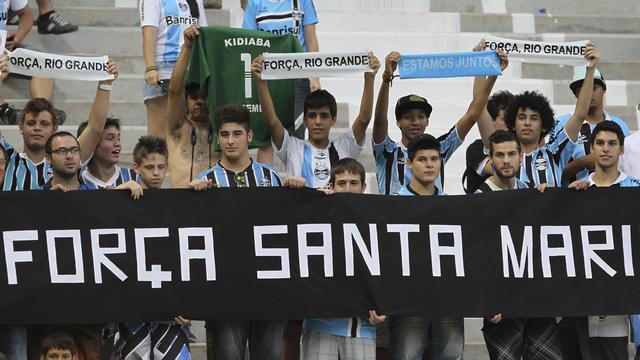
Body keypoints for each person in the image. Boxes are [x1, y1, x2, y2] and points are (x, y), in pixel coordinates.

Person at [190, 103, 306, 360]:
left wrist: (300, 193)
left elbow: (289, 227)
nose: (230, 141)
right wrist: (191, 201)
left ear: (250, 136)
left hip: (269, 292)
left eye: (237, 134)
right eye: (224, 135)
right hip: (226, 292)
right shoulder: (205, 180)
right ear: (218, 138)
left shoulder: (271, 177)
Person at [372, 42, 507, 195]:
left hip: (435, 216)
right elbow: (379, 119)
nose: (415, 121)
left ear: (428, 121)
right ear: (398, 122)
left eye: (421, 117)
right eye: (408, 117)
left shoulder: (440, 148)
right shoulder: (388, 151)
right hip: (394, 218)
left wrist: (494, 74)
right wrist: (386, 78)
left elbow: (472, 115)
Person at [476, 131, 564, 360]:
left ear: (521, 156)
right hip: (500, 304)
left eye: (511, 154)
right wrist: (485, 303)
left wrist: (561, 197)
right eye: (500, 155)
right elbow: (474, 258)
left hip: (536, 301)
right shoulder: (477, 199)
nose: (506, 160)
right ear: (491, 159)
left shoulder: (533, 193)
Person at [251, 52, 380, 189]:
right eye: (312, 116)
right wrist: (261, 81)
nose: (317, 121)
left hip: (337, 210)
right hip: (302, 210)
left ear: (333, 119)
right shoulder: (292, 146)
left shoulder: (344, 146)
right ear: (305, 120)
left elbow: (364, 119)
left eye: (324, 116)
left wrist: (369, 78)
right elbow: (271, 121)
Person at [565, 121, 638, 360]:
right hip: (580, 304)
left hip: (621, 304)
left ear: (621, 149)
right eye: (600, 143)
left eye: (612, 143)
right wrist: (568, 200)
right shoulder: (575, 192)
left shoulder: (635, 190)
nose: (606, 148)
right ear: (592, 149)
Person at [388, 133, 463, 360]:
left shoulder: (453, 206)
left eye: (434, 159)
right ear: (410, 163)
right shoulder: (391, 205)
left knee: (450, 356)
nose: (430, 164)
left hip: (447, 300)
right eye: (422, 159)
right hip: (408, 301)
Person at [302, 158, 386, 360]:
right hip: (319, 325)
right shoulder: (316, 217)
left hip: (362, 326)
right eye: (342, 183)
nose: (347, 189)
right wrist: (313, 203)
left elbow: (390, 269)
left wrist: (386, 307)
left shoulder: (379, 223)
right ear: (332, 186)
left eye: (353, 183)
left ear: (364, 187)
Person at [486, 43, 600, 189]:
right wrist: (486, 67)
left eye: (534, 118)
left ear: (544, 125)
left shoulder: (555, 152)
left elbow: (579, 115)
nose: (527, 123)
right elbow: (478, 111)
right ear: (513, 124)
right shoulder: (502, 155)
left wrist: (589, 70)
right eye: (521, 117)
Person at [0, 58, 118, 190]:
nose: (37, 128)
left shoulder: (67, 159)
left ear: (55, 128)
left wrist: (105, 84)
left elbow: (95, 128)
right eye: (31, 123)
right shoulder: (7, 158)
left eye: (44, 124)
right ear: (21, 127)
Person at [242, 0, 320, 163]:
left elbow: (311, 40)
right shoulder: (255, 3)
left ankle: (299, 184)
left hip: (298, 77)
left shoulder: (302, 1)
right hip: (268, 78)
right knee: (266, 138)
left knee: (298, 136)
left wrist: (315, 76)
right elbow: (249, 40)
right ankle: (266, 187)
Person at [549, 67, 631, 185]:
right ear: (576, 94)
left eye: (594, 88)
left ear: (604, 89)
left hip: (615, 197)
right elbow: (551, 171)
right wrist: (583, 162)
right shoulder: (562, 124)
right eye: (582, 90)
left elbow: (627, 166)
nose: (588, 93)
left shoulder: (620, 125)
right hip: (575, 198)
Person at [140, 0, 207, 139]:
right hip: (164, 67)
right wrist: (151, 67)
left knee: (185, 135)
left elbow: (203, 31)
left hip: (191, 67)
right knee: (159, 137)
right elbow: (149, 33)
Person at [166, 25, 217, 188]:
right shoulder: (177, 128)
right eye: (194, 97)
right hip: (181, 204)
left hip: (217, 204)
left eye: (204, 97)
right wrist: (187, 47)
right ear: (186, 101)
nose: (200, 101)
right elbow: (174, 91)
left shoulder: (223, 131)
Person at [463, 90, 514, 193]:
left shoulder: (520, 148)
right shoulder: (476, 149)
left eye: (513, 119)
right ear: (491, 120)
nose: (511, 124)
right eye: (506, 119)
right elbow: (500, 169)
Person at [77, 118, 139, 189]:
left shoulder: (133, 177)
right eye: (110, 138)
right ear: (91, 145)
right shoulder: (78, 181)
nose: (118, 144)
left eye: (118, 138)